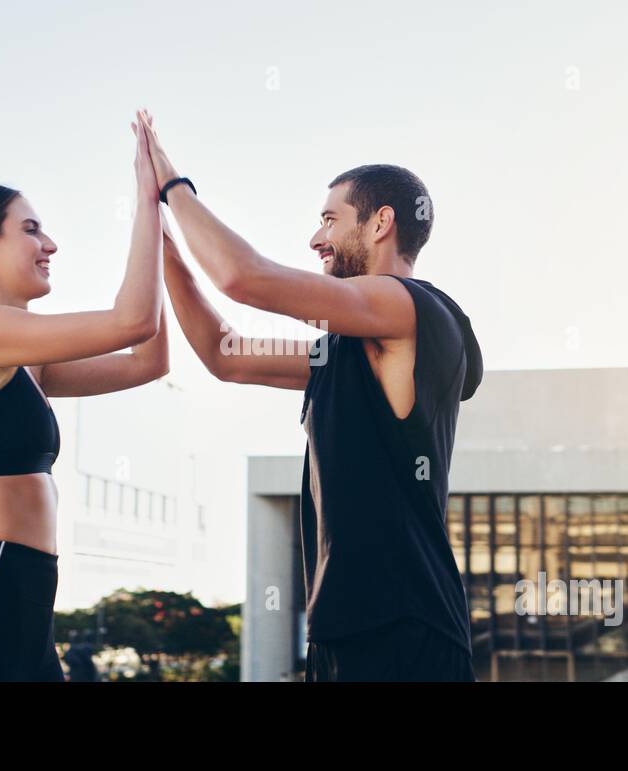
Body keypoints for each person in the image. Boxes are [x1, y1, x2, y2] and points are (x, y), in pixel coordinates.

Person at [141, 113, 483, 681]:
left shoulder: (406, 308)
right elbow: (225, 354)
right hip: (341, 632)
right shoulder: (345, 349)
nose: (316, 238)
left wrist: (174, 187)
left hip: (404, 628)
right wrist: (164, 242)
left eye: (330, 219)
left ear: (381, 223)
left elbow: (241, 277)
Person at [0, 112, 167, 682]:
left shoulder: (21, 356)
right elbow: (133, 320)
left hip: (26, 599)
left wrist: (162, 234)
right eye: (30, 230)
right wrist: (149, 200)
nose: (50, 244)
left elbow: (149, 361)